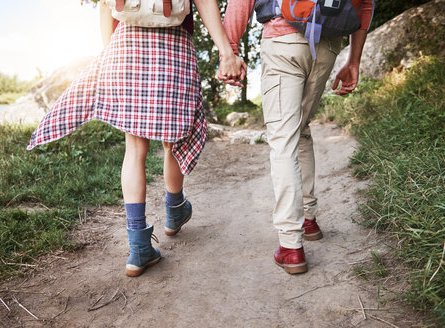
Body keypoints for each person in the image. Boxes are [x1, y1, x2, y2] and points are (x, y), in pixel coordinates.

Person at [28, 0, 246, 277]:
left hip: (126, 43)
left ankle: (139, 247)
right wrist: (226, 52)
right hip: (174, 44)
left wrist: (109, 52)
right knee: (174, 140)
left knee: (134, 149)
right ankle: (175, 210)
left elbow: (106, 7)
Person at [222, 0, 374, 274]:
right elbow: (365, 4)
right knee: (300, 129)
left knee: (283, 141)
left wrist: (229, 50)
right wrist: (354, 60)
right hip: (328, 44)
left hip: (284, 40)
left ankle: (291, 245)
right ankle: (308, 219)